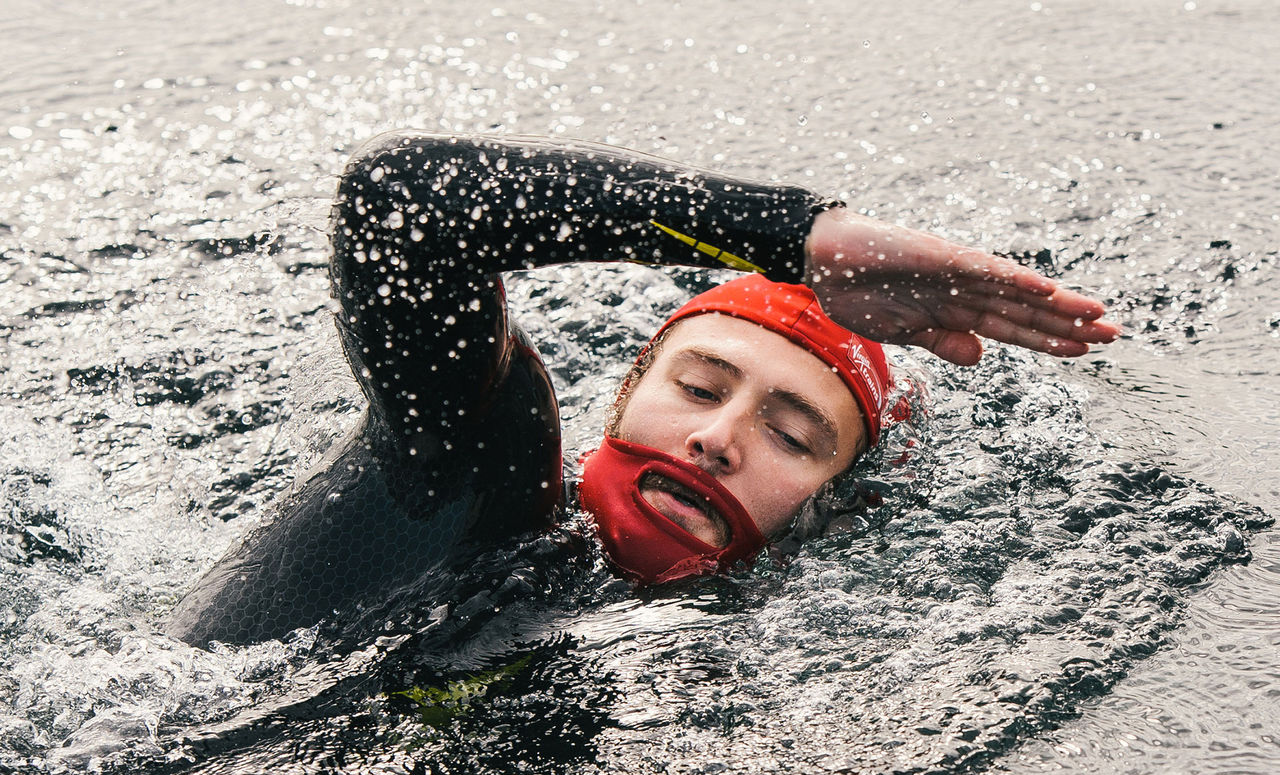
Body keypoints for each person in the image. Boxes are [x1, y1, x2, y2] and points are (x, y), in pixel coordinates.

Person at [164, 132, 1118, 647]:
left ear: (831, 511)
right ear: (621, 398)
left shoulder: (766, 678)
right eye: (700, 388)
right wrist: (796, 238)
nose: (718, 440)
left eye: (792, 439)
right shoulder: (464, 481)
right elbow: (409, 199)